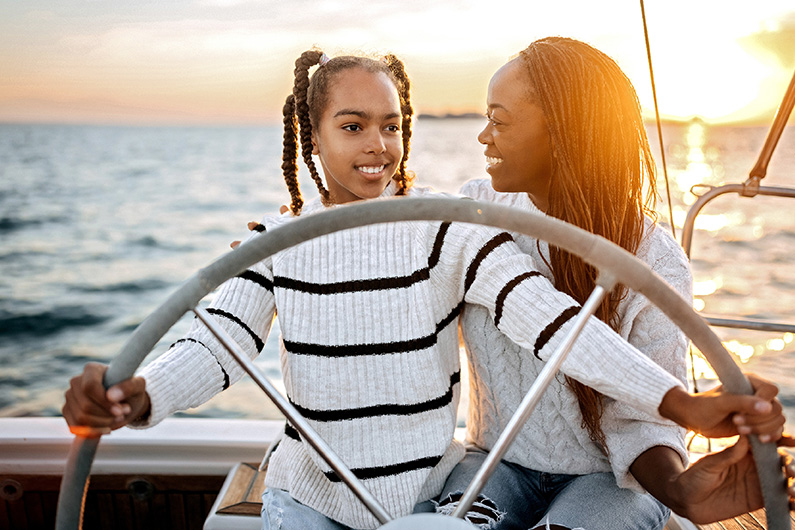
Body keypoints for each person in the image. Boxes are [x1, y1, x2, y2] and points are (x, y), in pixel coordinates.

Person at [63, 48, 787, 530]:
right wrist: (137, 394)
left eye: (392, 126)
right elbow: (216, 343)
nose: (377, 146)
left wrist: (681, 406)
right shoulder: (308, 238)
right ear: (311, 136)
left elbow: (552, 321)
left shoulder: (461, 229)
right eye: (352, 126)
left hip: (515, 486)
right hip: (380, 482)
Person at [437, 36, 794, 530]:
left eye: (499, 121)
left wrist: (679, 490)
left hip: (611, 481)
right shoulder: (479, 213)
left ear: (562, 135)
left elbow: (640, 423)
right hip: (496, 462)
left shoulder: (654, 262)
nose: (483, 137)